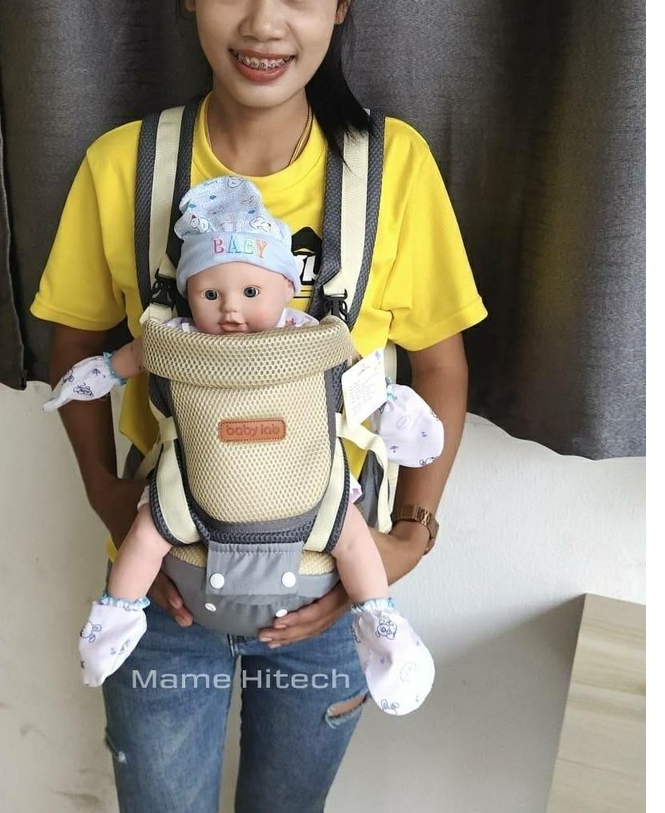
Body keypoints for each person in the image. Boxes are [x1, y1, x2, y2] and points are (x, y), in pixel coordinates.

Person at [31, 0, 487, 813]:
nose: (264, 21)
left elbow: (440, 366)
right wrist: (110, 500)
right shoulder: (125, 166)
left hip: (332, 596)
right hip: (166, 593)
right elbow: (73, 344)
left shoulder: (393, 169)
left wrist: (407, 539)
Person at [44, 175, 443, 714]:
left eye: (251, 293)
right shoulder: (177, 340)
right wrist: (85, 383)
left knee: (351, 534)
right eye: (210, 294)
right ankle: (118, 613)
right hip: (193, 496)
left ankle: (380, 621)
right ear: (189, 294)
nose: (230, 310)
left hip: (308, 491)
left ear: (286, 288)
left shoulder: (313, 337)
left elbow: (366, 385)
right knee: (146, 532)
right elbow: (118, 365)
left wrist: (400, 418)